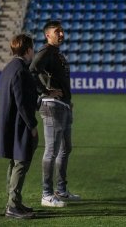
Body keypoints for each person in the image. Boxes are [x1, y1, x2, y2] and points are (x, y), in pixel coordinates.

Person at [29, 20, 80, 208]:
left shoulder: (56, 53)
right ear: (47, 35)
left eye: (62, 31)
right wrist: (46, 91)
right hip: (52, 105)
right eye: (57, 31)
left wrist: (67, 100)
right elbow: (32, 71)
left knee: (66, 148)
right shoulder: (46, 51)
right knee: (51, 150)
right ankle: (46, 194)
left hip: (63, 105)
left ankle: (60, 190)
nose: (61, 34)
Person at [0, 34, 38, 219]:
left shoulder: (8, 68)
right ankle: (12, 206)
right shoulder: (21, 69)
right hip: (20, 124)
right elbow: (22, 102)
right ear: (28, 49)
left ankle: (14, 202)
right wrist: (32, 125)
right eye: (32, 48)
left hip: (9, 123)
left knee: (14, 162)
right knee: (21, 163)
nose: (34, 52)